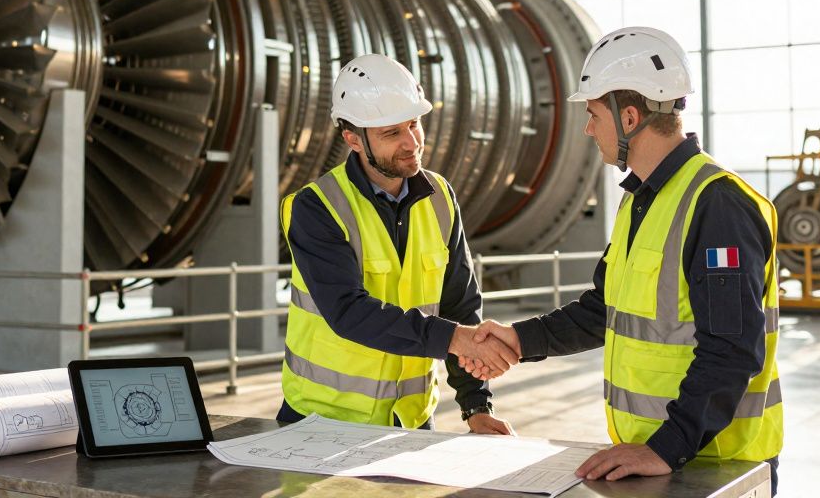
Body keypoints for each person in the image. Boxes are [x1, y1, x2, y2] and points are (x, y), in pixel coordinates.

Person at [460, 27, 783, 493]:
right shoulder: (641, 201)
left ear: (629, 116)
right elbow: (604, 309)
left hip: (715, 464)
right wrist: (518, 338)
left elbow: (731, 349)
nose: (588, 128)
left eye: (593, 114)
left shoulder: (718, 205)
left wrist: (665, 447)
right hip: (660, 461)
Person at [279, 54, 518, 434]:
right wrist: (456, 339)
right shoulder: (316, 207)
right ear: (353, 139)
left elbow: (459, 304)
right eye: (392, 133)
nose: (412, 143)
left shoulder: (440, 196)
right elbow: (350, 312)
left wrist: (476, 406)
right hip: (322, 419)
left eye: (414, 124)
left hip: (412, 420)